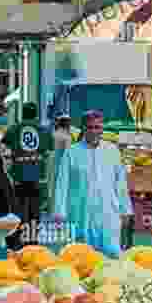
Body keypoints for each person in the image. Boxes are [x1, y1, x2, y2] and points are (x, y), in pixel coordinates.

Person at [54, 110, 133, 257]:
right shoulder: (72, 152)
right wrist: (59, 212)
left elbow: (120, 183)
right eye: (90, 127)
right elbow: (62, 183)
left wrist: (125, 210)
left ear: (102, 128)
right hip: (80, 214)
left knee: (112, 257)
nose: (94, 131)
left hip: (108, 215)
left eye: (97, 127)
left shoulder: (112, 151)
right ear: (83, 129)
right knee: (81, 258)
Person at [0, 102, 53, 237]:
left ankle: (19, 237)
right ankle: (33, 239)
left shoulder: (14, 129)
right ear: (36, 114)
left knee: (19, 208)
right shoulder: (44, 130)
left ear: (22, 113)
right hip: (37, 176)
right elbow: (49, 152)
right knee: (35, 210)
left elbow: (3, 148)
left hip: (18, 175)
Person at [47, 114, 73, 214]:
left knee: (51, 187)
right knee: (61, 188)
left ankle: (51, 210)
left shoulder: (53, 134)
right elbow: (68, 153)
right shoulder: (66, 137)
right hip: (61, 164)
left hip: (51, 163)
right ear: (67, 124)